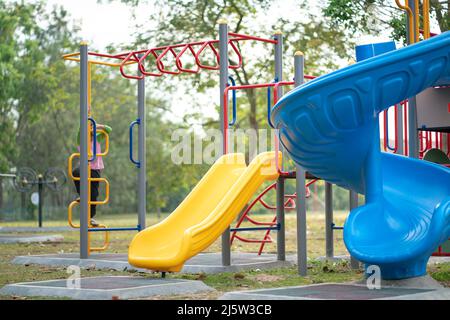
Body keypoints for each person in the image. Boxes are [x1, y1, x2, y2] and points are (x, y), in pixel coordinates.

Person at [72, 106, 111, 227]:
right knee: (75, 172)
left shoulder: (97, 138)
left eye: (91, 129)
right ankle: (82, 195)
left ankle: (90, 217)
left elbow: (109, 129)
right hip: (85, 166)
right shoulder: (81, 140)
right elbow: (80, 129)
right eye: (88, 129)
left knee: (94, 194)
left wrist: (97, 126)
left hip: (96, 168)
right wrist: (86, 115)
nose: (89, 132)